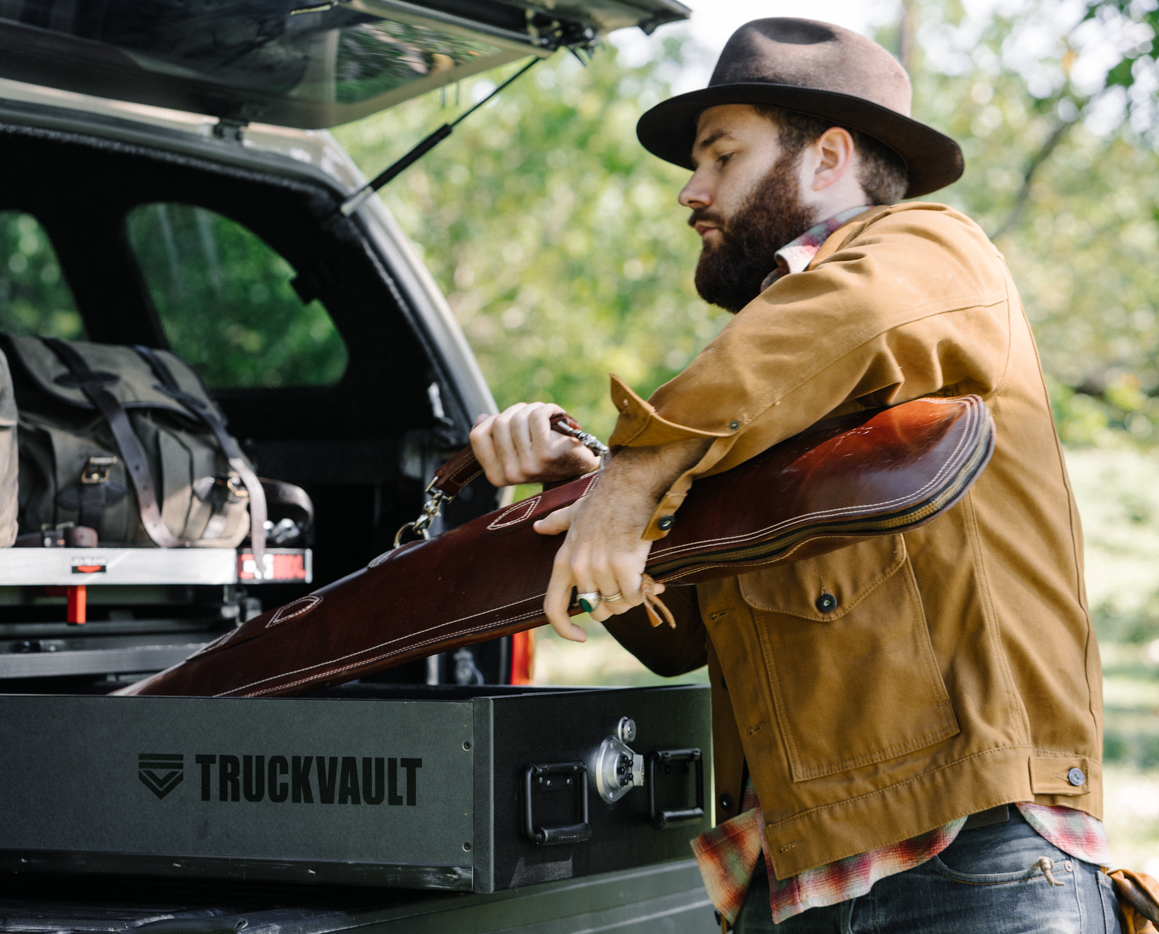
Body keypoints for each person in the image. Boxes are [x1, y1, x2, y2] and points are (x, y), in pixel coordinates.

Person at [469, 18, 1118, 933]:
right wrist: (577, 487)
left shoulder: (927, 249)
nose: (691, 191)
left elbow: (839, 319)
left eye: (720, 156)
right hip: (801, 880)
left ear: (828, 159)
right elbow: (682, 638)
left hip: (977, 860)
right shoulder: (755, 391)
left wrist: (630, 476)